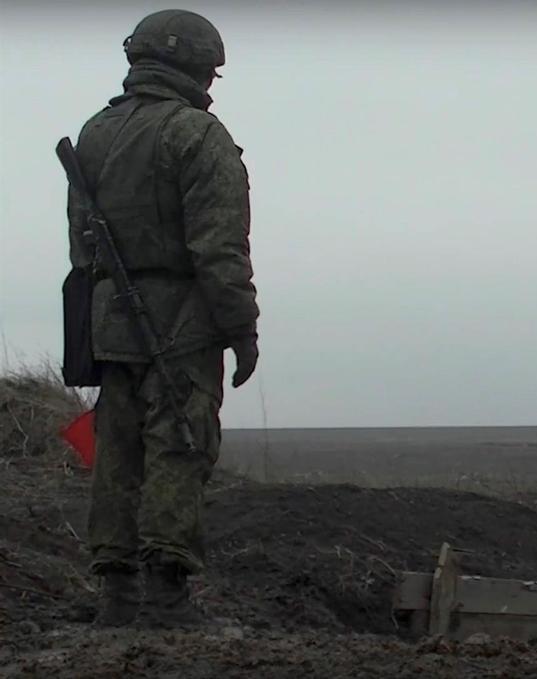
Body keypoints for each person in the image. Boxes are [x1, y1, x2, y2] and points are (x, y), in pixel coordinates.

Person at [66, 9, 259, 628]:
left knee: (117, 449)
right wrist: (241, 328)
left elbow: (81, 245)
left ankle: (116, 597)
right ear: (199, 65)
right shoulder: (196, 135)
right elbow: (220, 249)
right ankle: (167, 597)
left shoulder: (95, 133)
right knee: (181, 442)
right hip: (182, 321)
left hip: (111, 316)